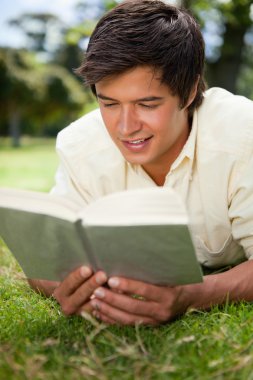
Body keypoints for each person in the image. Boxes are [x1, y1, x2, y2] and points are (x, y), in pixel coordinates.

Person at [29, 0, 253, 325]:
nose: (125, 127)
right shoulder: (80, 146)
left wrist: (196, 294)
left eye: (147, 104)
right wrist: (61, 285)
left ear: (189, 93)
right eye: (109, 103)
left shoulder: (241, 134)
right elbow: (45, 260)